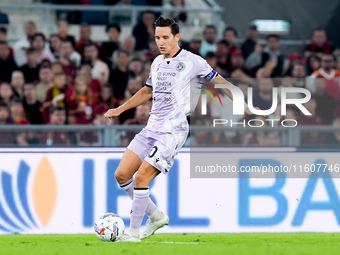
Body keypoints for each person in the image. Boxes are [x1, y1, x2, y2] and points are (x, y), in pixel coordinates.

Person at [103, 16, 257, 242]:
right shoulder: (156, 63)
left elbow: (220, 82)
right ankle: (155, 216)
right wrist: (120, 109)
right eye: (157, 38)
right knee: (122, 175)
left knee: (142, 178)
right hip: (152, 127)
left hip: (173, 131)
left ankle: (133, 233)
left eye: (165, 37)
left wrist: (241, 103)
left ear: (177, 37)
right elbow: (147, 92)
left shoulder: (193, 61)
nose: (161, 42)